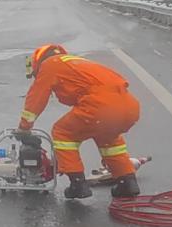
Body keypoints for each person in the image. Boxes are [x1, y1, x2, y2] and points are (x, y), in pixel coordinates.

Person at [18, 44, 141, 199]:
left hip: (101, 105)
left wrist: (24, 127)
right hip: (129, 106)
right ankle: (127, 182)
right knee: (109, 140)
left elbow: (36, 98)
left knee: (62, 132)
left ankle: (78, 184)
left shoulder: (50, 65)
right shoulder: (77, 63)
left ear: (37, 62)